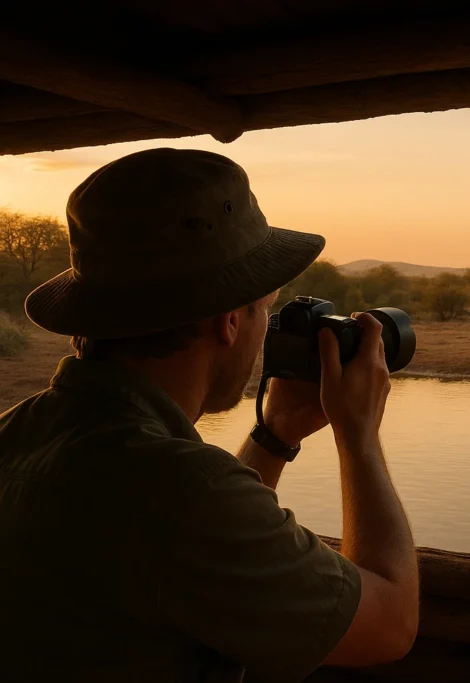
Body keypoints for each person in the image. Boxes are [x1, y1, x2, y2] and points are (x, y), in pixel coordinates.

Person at [0, 148, 419, 683]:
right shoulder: (178, 491)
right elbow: (390, 625)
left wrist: (274, 436)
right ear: (228, 323)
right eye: (265, 310)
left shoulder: (17, 432)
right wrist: (358, 436)